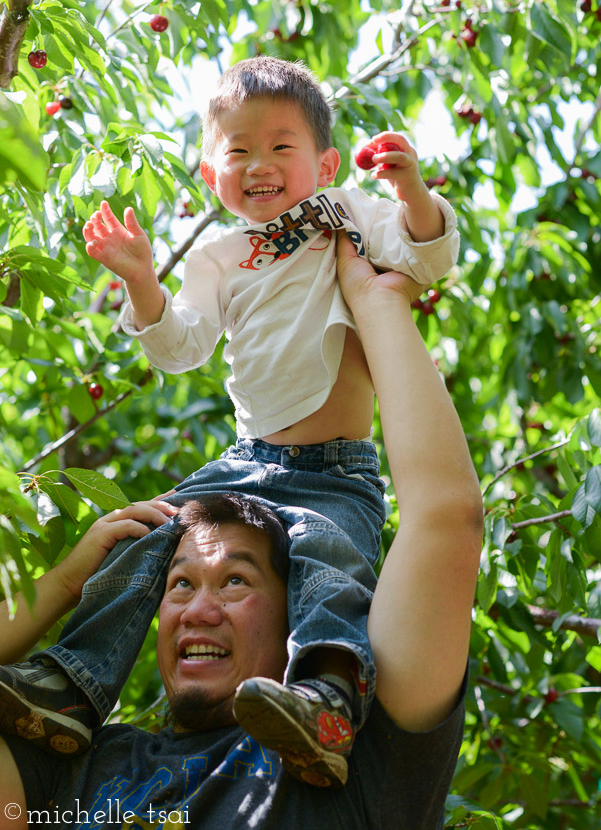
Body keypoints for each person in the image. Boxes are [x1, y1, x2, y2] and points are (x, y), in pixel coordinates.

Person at [0, 56, 461, 787]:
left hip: (334, 470)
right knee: (149, 538)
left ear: (326, 162)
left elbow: (427, 257)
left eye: (282, 147)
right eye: (237, 151)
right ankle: (73, 685)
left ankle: (325, 698)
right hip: (246, 462)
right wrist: (142, 282)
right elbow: (180, 348)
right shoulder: (218, 257)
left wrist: (408, 190)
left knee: (324, 553)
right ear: (211, 174)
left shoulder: (345, 211)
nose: (259, 164)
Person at [0, 234, 483, 828]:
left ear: (298, 606)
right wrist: (73, 579)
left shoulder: (358, 763)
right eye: (178, 585)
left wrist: (376, 302)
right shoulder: (65, 779)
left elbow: (447, 520)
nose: (198, 609)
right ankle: (63, 682)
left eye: (234, 581)